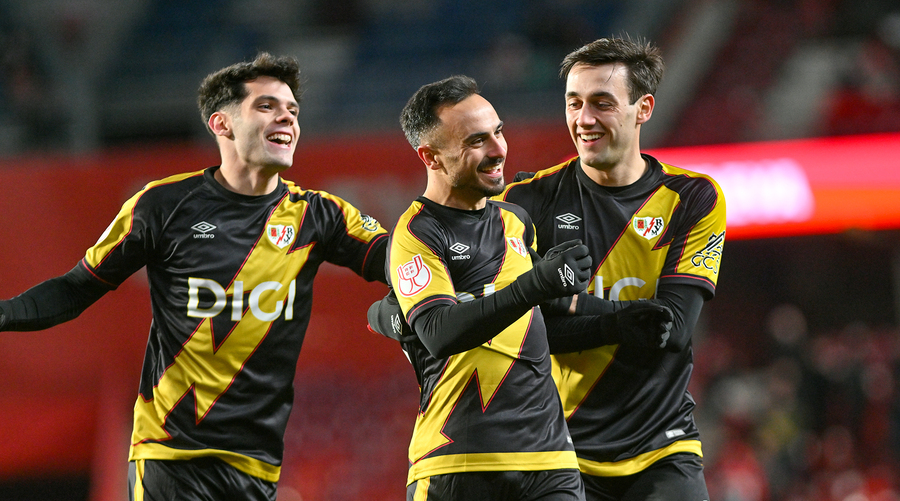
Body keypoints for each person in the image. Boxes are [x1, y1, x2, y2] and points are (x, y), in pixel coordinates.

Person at [0, 52, 389, 500]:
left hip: (257, 466)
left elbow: (399, 262)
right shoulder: (161, 206)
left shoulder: (321, 216)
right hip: (171, 455)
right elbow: (75, 288)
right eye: (266, 106)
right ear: (221, 124)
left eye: (293, 110)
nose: (286, 116)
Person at [495, 37, 726, 500]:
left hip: (662, 449)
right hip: (558, 453)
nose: (584, 120)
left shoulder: (694, 198)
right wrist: (620, 320)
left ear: (643, 108)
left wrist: (567, 302)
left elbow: (671, 329)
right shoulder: (524, 201)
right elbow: (517, 331)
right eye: (574, 103)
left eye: (602, 103)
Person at [383, 74, 597, 501]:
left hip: (549, 461)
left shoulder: (516, 221)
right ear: (432, 157)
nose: (498, 149)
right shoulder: (416, 233)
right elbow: (440, 332)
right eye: (475, 141)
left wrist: (625, 316)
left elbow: (543, 318)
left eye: (498, 132)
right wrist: (535, 284)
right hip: (458, 464)